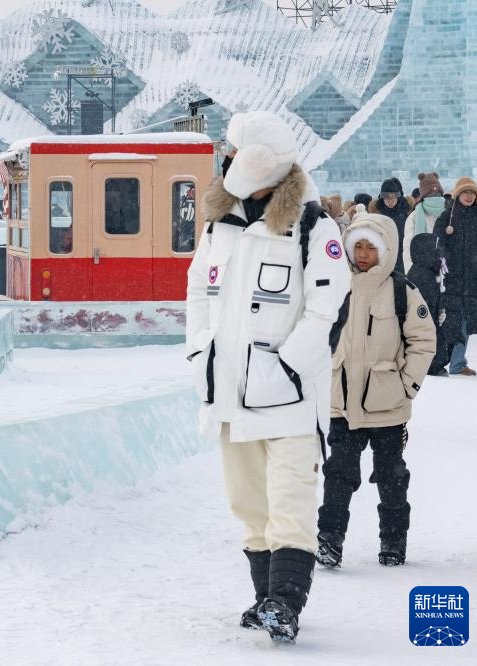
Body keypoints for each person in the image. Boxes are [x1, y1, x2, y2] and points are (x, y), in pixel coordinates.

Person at [186, 111, 351, 643]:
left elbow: (327, 307)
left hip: (289, 399)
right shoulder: (220, 224)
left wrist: (286, 368)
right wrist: (199, 355)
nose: (225, 159)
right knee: (248, 501)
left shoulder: (311, 224)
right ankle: (265, 599)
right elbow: (196, 293)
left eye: (232, 151)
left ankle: (285, 602)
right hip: (230, 392)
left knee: (290, 499)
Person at [316, 214, 435, 570]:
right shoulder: (335, 287)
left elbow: (423, 340)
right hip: (340, 403)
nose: (364, 254)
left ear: (386, 251)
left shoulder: (403, 291)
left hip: (387, 406)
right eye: (359, 247)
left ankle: (393, 542)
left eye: (371, 248)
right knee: (339, 473)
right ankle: (329, 539)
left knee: (391, 475)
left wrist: (406, 386)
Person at [432, 177, 477, 376]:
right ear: (458, 195)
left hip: (472, 279)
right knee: (449, 320)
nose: (469, 196)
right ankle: (441, 360)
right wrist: (442, 259)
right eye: (466, 192)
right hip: (451, 277)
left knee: (465, 320)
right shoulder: (447, 217)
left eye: (472, 193)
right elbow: (437, 241)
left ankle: (457, 362)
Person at [407, 233, 454, 376]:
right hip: (424, 322)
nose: (439, 254)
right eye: (435, 250)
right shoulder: (421, 273)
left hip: (429, 320)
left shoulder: (429, 270)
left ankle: (434, 363)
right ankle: (432, 365)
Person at [369, 178, 413, 273]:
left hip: (402, 253)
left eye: (393, 198)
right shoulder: (377, 213)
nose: (390, 201)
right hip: (383, 255)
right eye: (387, 199)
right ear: (382, 198)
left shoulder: (406, 210)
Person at [403, 172, 445, 271]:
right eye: (431, 193)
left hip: (424, 274)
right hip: (447, 273)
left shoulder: (414, 216)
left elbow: (409, 249)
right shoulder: (450, 213)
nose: (434, 195)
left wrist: (412, 273)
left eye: (436, 192)